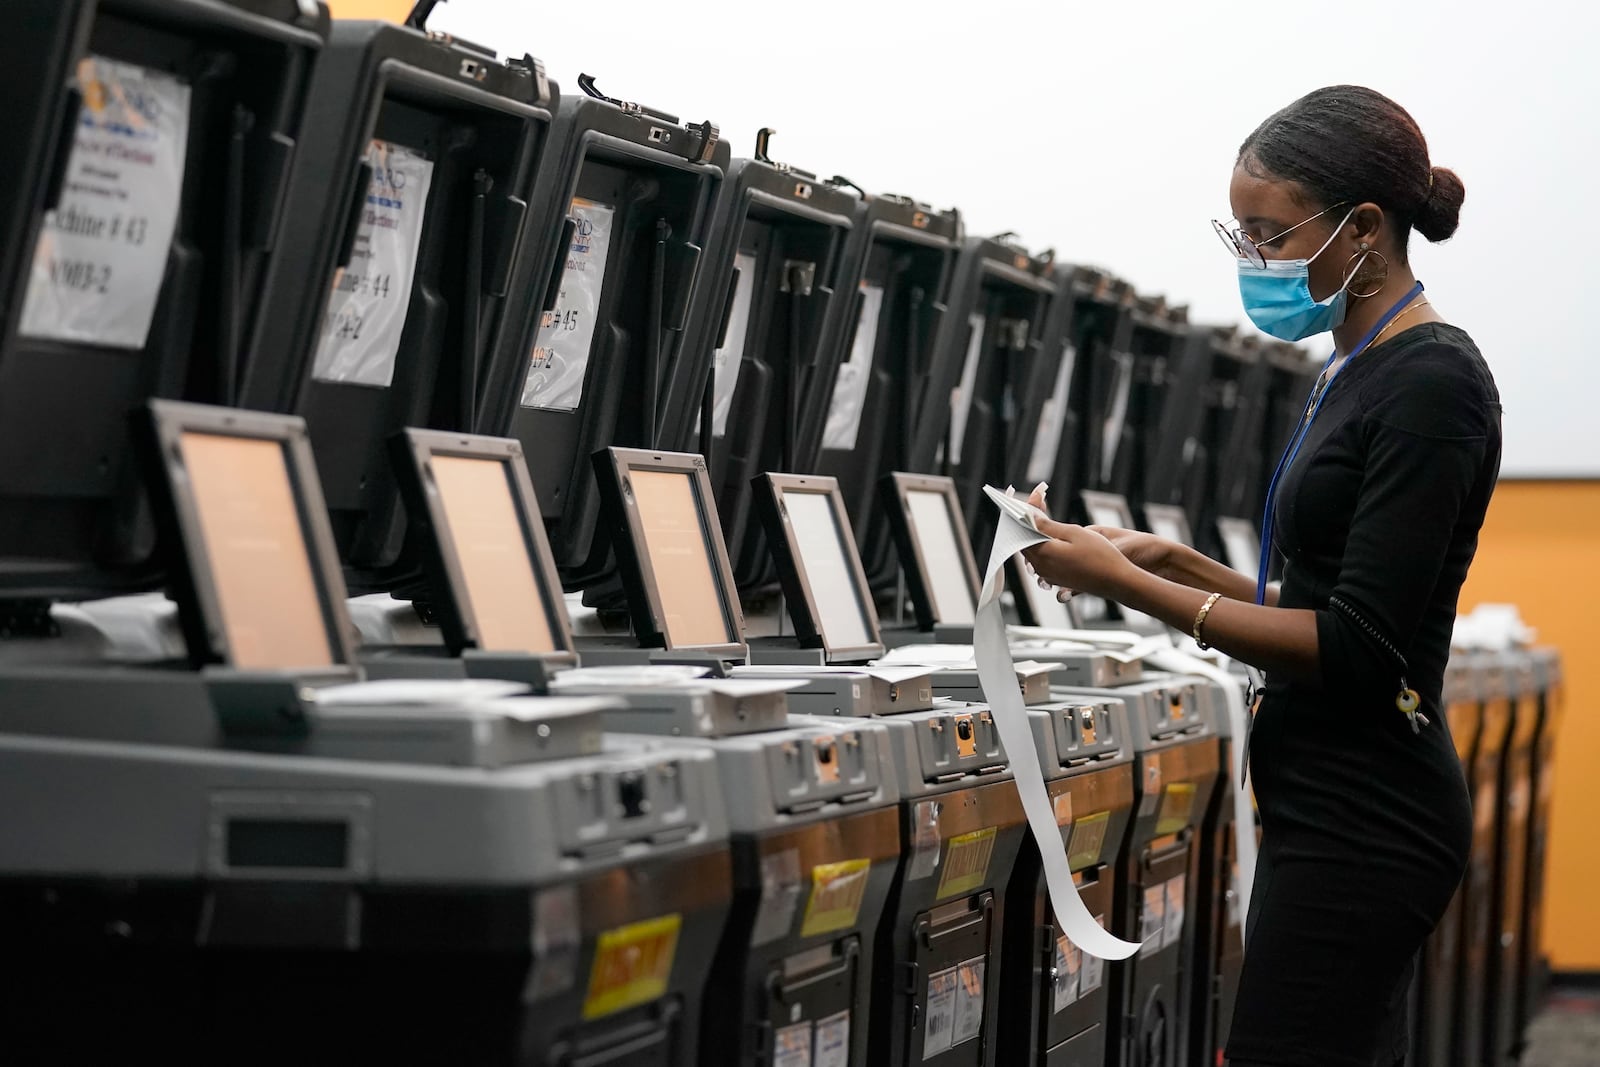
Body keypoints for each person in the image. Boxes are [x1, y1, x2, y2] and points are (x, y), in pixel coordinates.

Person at [1022, 85, 1499, 1067]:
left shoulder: (1431, 383)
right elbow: (1331, 595)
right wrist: (1167, 557)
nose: (1253, 260)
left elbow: (1358, 646)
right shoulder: (1355, 367)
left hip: (1369, 815)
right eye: (1239, 233)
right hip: (1322, 798)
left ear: (1364, 228)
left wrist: (1132, 586)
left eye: (1270, 234)